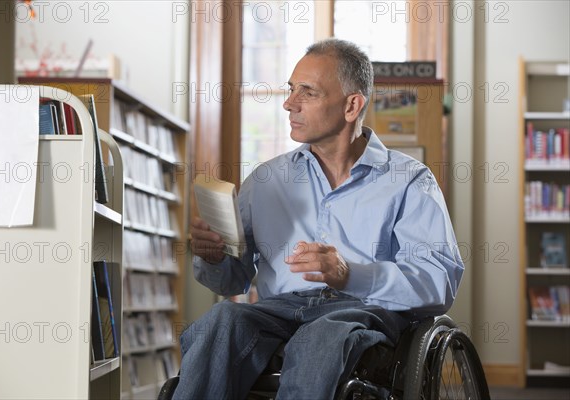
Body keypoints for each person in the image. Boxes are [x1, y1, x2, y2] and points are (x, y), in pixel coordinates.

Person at [172, 38, 464, 399]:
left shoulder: (409, 180)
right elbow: (233, 280)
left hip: (362, 312)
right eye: (291, 89)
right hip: (277, 310)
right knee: (218, 323)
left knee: (322, 338)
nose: (288, 103)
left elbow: (438, 281)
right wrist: (215, 258)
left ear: (351, 106)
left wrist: (350, 274)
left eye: (306, 92)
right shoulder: (266, 180)